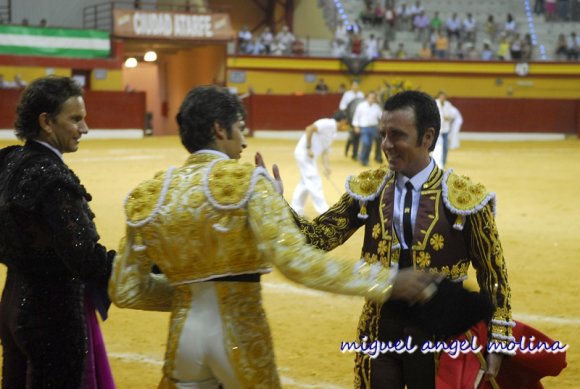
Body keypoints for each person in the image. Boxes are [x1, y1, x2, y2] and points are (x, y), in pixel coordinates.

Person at [108, 85, 438, 389]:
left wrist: (190, 294)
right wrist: (387, 281)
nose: (244, 141)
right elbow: (298, 263)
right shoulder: (248, 182)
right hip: (240, 335)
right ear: (220, 130)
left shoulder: (148, 195)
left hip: (183, 339)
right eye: (240, 128)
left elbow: (126, 291)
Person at [290, 90, 513, 388]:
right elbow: (317, 237)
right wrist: (272, 203)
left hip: (442, 338)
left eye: (397, 135)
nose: (385, 145)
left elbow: (492, 272)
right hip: (380, 330)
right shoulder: (369, 189)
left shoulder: (466, 198)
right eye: (383, 134)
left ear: (427, 137)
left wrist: (498, 339)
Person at [0, 75, 115, 388]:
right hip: (51, 317)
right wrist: (130, 266)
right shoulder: (53, 178)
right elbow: (85, 258)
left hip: (11, 304)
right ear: (46, 122)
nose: (84, 128)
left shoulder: (8, 161)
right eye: (75, 119)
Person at [290, 111, 348, 215]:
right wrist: (308, 148)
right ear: (342, 121)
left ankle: (296, 210)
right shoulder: (327, 123)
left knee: (304, 183)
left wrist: (326, 167)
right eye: (345, 123)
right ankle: (324, 211)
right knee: (314, 181)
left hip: (309, 158)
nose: (345, 126)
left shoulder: (333, 133)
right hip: (304, 154)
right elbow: (309, 129)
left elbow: (325, 152)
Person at [352, 90, 383, 166]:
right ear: (367, 98)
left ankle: (366, 160)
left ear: (375, 99)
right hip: (364, 128)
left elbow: (382, 117)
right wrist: (356, 126)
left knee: (370, 145)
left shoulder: (377, 107)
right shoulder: (361, 106)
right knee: (366, 143)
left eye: (373, 98)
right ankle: (362, 158)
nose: (371, 99)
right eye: (370, 97)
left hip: (373, 128)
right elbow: (356, 117)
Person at [433, 90, 459, 168]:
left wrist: (449, 117)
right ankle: (435, 162)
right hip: (437, 129)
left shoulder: (448, 104)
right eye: (441, 96)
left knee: (445, 147)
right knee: (436, 147)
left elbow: (452, 115)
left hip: (445, 129)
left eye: (444, 96)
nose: (442, 98)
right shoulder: (435, 103)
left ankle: (443, 163)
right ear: (438, 96)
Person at [339, 81, 365, 160]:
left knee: (358, 136)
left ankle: (356, 153)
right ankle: (349, 151)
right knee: (352, 135)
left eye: (356, 86)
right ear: (351, 86)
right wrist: (347, 112)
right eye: (354, 86)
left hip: (360, 118)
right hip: (350, 118)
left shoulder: (361, 94)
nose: (355, 87)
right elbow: (342, 106)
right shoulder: (347, 94)